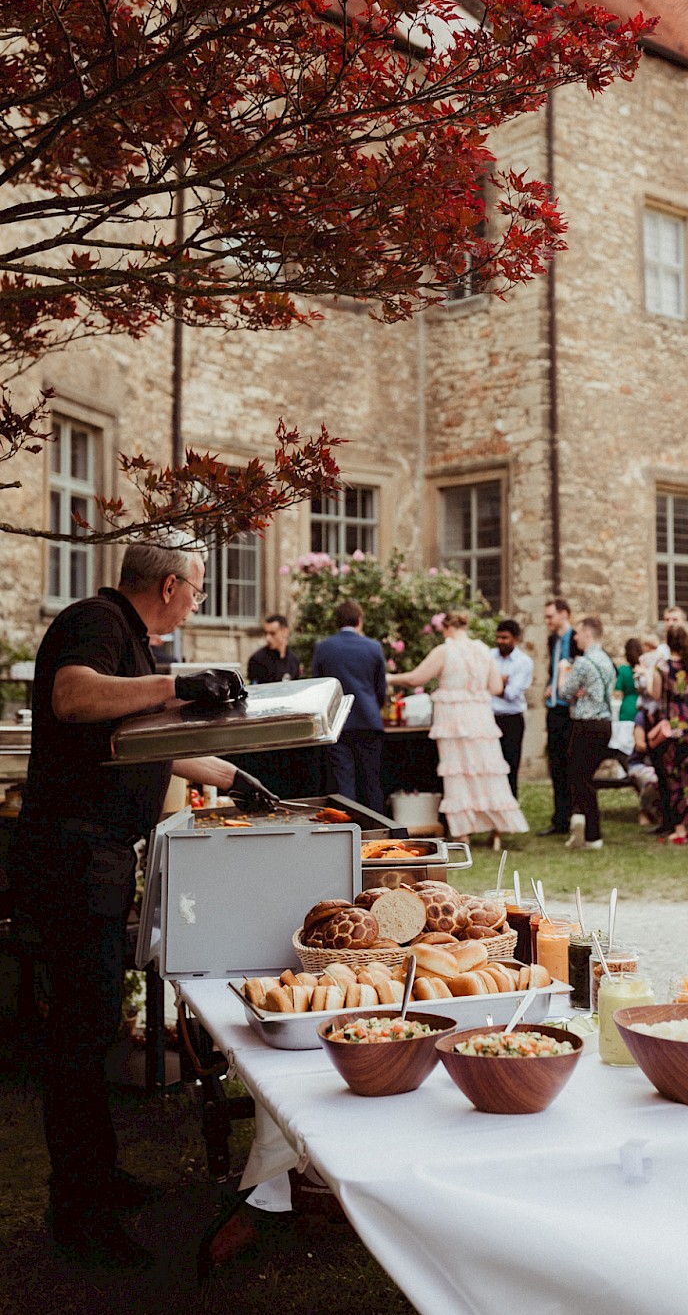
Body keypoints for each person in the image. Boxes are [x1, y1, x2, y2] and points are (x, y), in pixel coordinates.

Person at [11, 536, 277, 1270]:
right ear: (166, 584)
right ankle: (79, 1212)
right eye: (196, 586)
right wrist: (173, 684)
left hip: (91, 858)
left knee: (91, 1030)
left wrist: (230, 774)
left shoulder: (128, 638)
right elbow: (74, 696)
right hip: (69, 857)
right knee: (76, 1040)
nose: (198, 598)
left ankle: (99, 1177)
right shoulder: (93, 623)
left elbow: (138, 737)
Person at [387, 611, 527, 847]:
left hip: (453, 719)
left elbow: (416, 679)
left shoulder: (445, 650)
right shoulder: (484, 651)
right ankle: (496, 830)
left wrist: (389, 678)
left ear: (446, 628)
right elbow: (494, 687)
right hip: (481, 718)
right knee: (486, 771)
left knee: (458, 773)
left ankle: (463, 832)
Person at [311, 599, 387, 814]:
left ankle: (348, 826)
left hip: (338, 722)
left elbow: (319, 685)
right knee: (372, 780)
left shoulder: (324, 648)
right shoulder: (373, 647)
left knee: (344, 780)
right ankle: (377, 827)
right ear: (360, 621)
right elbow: (380, 687)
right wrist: (375, 707)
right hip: (368, 719)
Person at [648, 624, 688, 844]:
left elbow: (655, 695)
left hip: (674, 726)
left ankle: (680, 830)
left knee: (674, 776)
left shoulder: (663, 668)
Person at [559, 615, 616, 850]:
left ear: (588, 634)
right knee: (585, 777)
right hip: (604, 724)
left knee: (579, 778)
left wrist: (563, 671)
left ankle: (592, 834)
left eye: (578, 632)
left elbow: (564, 692)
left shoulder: (582, 663)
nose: (575, 637)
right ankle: (582, 829)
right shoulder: (607, 662)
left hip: (586, 725)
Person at [538, 598, 578, 837]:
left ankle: (574, 816)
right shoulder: (552, 640)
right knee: (556, 764)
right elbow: (555, 671)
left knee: (570, 764)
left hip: (571, 710)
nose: (547, 621)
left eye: (550, 616)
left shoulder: (576, 638)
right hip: (554, 708)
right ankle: (560, 818)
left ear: (564, 614)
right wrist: (549, 686)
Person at [491, 618, 533, 797]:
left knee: (510, 764)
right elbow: (479, 684)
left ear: (515, 639)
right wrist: (502, 681)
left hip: (511, 718)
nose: (500, 641)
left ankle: (510, 804)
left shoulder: (523, 662)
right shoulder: (488, 655)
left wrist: (493, 683)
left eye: (505, 638)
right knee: (490, 765)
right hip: (490, 716)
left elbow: (511, 693)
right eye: (498, 637)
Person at [247, 614, 301, 684]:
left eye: (273, 633)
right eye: (266, 633)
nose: (268, 638)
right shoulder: (258, 660)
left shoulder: (294, 660)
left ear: (285, 632)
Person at [616, 638, 642, 722]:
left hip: (627, 707)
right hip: (641, 706)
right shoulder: (644, 670)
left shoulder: (623, 670)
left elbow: (617, 690)